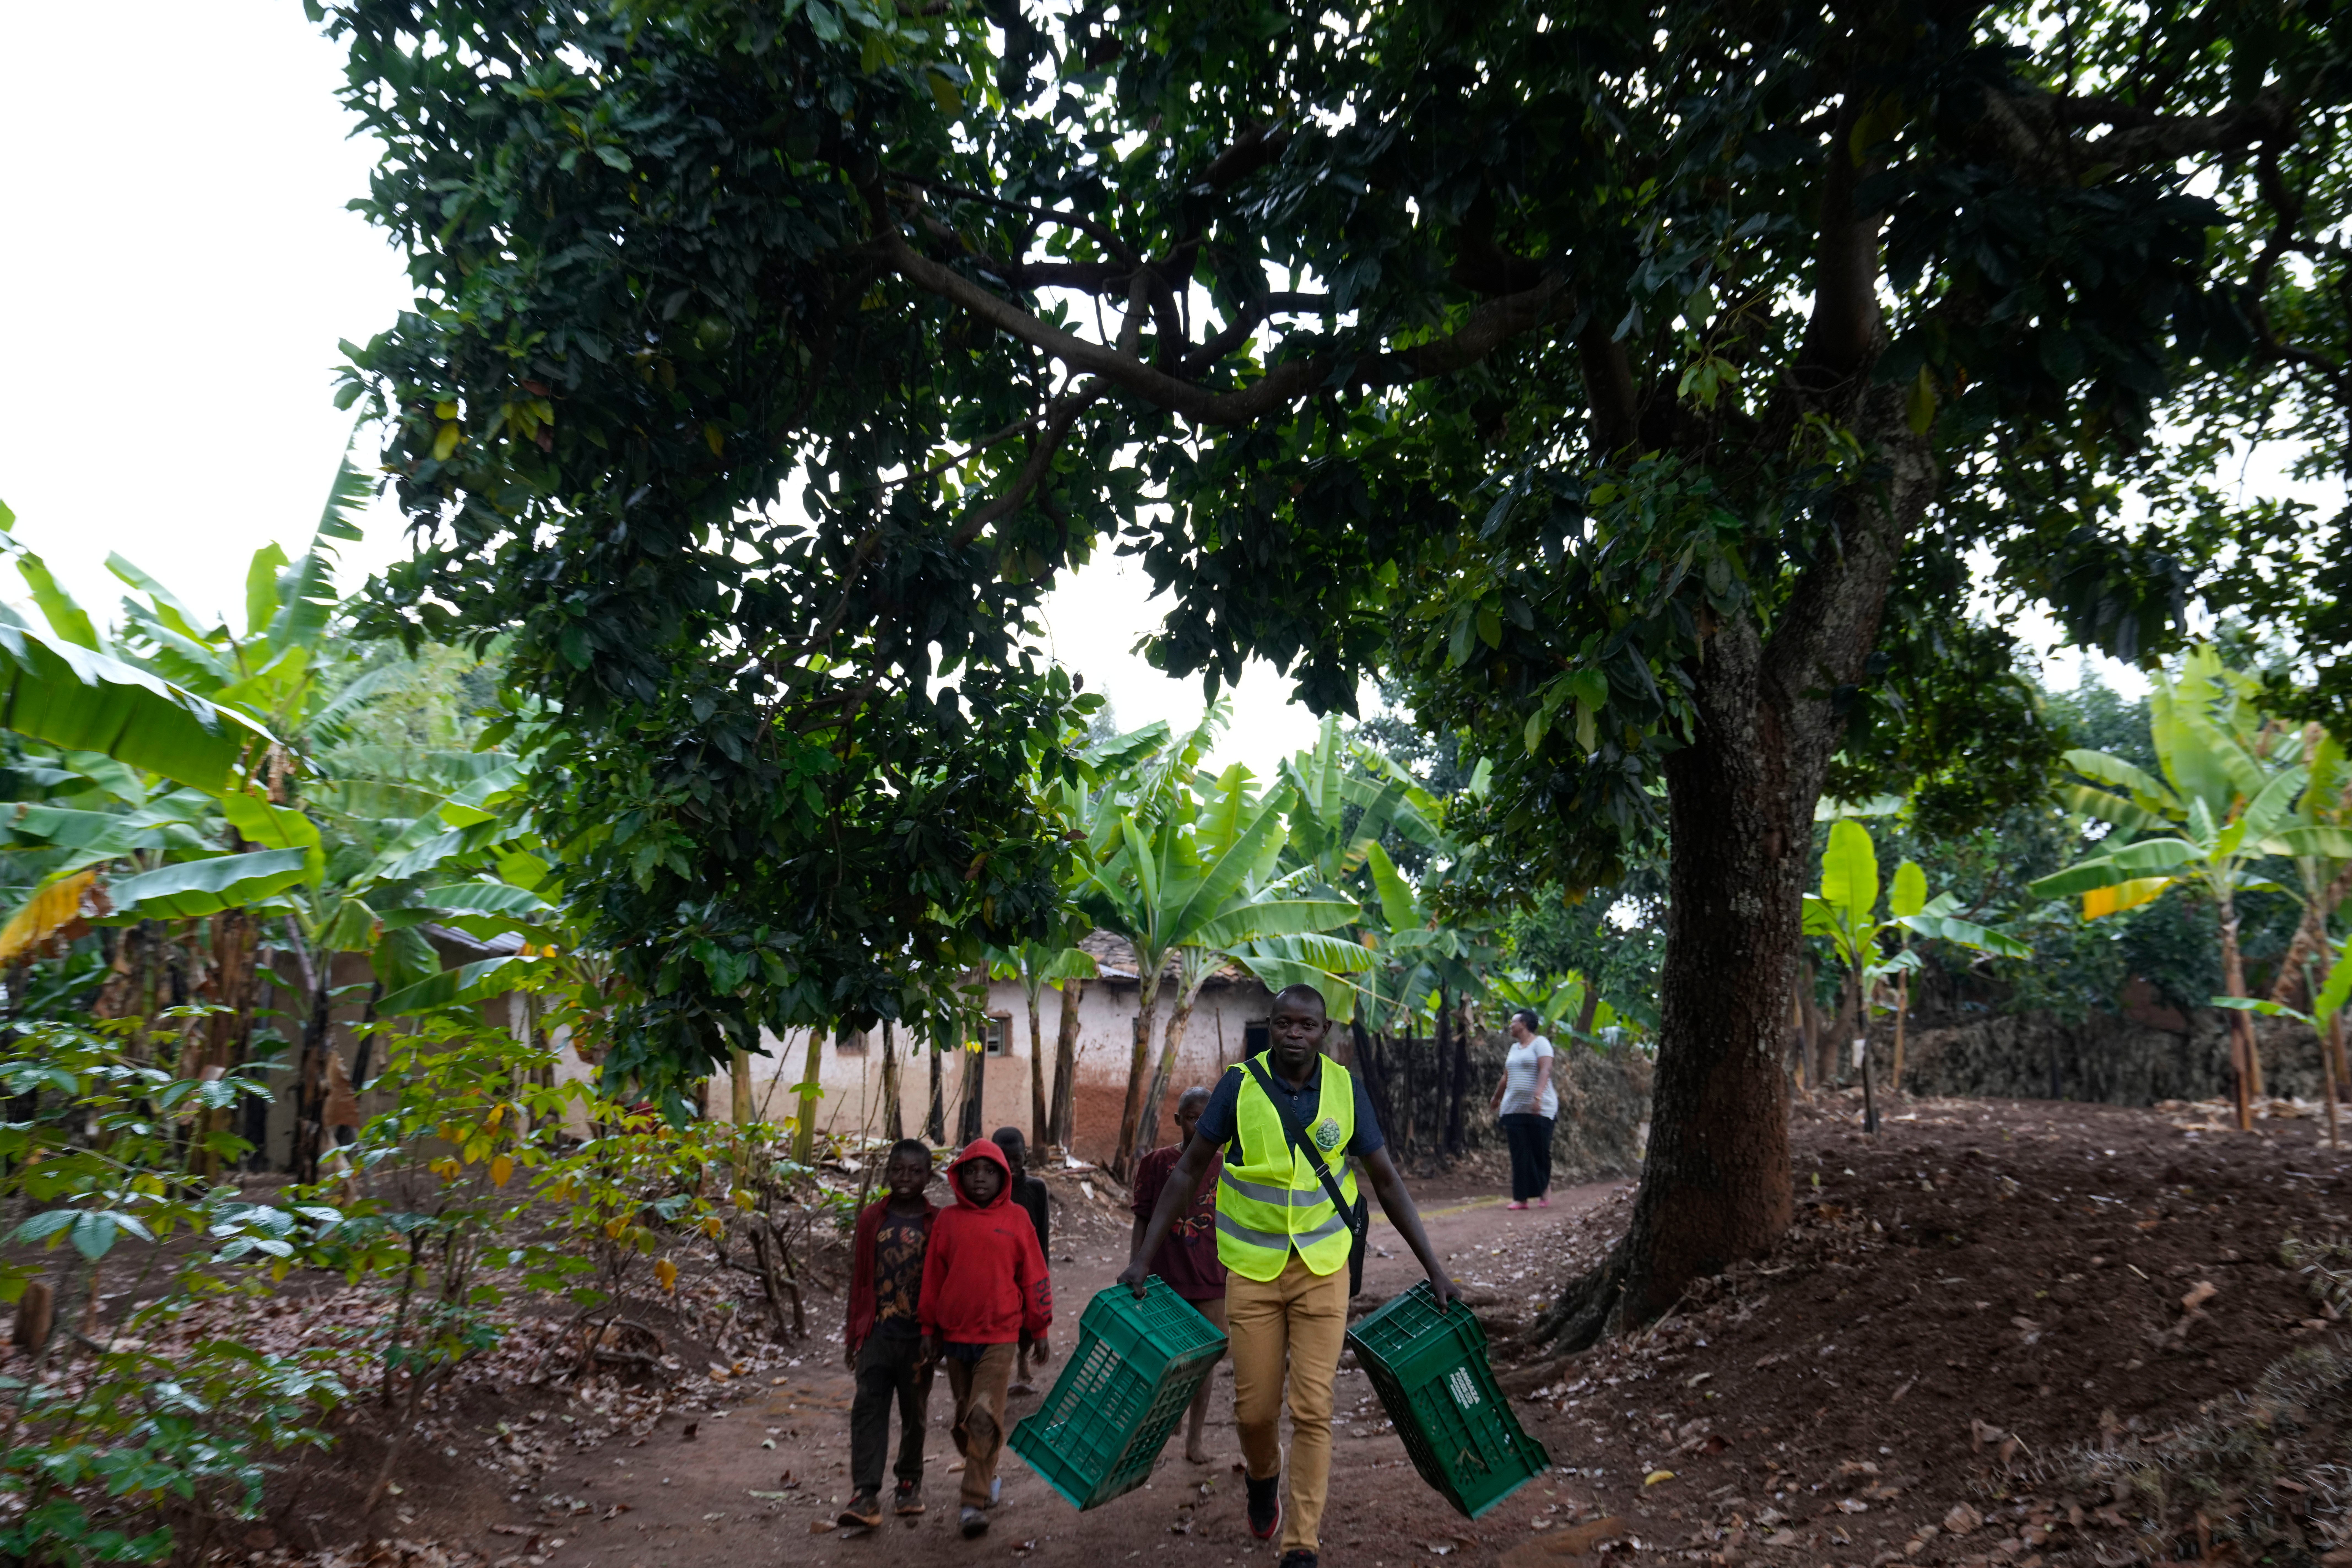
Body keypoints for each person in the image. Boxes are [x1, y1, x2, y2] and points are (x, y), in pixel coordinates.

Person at [1122, 983, 1460, 1568]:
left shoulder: (1346, 1089)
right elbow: (1186, 1173)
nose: (1295, 1034)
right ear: (1271, 1027)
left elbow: (1385, 1180)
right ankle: (1262, 1476)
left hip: (1323, 1267)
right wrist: (1142, 1258)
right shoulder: (1239, 1085)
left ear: (1324, 1031)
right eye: (1284, 1024)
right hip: (1253, 1270)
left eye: (1307, 1025)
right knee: (1255, 1412)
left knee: (1313, 1407)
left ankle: (1302, 1539)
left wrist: (1435, 1266)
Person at [919, 1137, 1054, 1539]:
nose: (980, 1178)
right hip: (956, 1335)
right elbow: (932, 1279)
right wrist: (929, 1329)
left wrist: (1040, 1326)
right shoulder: (946, 1221)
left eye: (989, 1171)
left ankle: (972, 1502)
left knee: (982, 1414)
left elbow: (1034, 1276)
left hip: (1000, 1334)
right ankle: (988, 1473)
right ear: (959, 1177)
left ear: (1003, 1177)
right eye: (972, 1171)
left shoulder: (1016, 1219)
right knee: (965, 1420)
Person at [837, 1140, 939, 1529]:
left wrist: (936, 1334)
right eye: (898, 1170)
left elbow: (940, 1280)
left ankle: (909, 1483)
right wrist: (853, 1336)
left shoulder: (937, 1222)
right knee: (868, 1410)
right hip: (876, 1335)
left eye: (915, 1172)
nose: (905, 1178)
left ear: (928, 1177)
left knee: (914, 1413)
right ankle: (865, 1493)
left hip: (919, 1340)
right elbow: (860, 1279)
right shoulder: (871, 1219)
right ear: (887, 1173)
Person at [1129, 1085, 1226, 1463]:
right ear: (1177, 1120)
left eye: (1207, 1118)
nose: (1199, 1125)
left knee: (1205, 1363)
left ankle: (1194, 1441)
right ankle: (1165, 1422)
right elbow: (1142, 1218)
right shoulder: (1156, 1164)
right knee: (1166, 1356)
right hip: (1165, 1279)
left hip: (1213, 1278)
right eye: (1191, 1118)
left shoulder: (1229, 1166)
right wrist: (1137, 1263)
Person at [990, 1125, 1053, 1394]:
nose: (1011, 1165)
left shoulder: (1036, 1189)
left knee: (1029, 1320)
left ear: (1025, 1156)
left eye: (1016, 1158)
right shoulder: (987, 1189)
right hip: (998, 1269)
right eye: (1004, 1159)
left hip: (1028, 1267)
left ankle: (1023, 1360)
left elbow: (1043, 1235)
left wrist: (1043, 1272)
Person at [1491, 1008, 1558, 1209]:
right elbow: (1506, 1076)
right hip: (1513, 1108)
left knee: (1540, 1151)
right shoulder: (1514, 1049)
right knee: (1519, 1153)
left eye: (1514, 1022)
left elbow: (1545, 1070)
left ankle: (1544, 1188)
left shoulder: (1541, 1044)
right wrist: (1496, 1098)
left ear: (1525, 1024)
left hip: (1540, 1108)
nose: (1511, 1026)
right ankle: (1520, 1198)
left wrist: (1537, 1097)